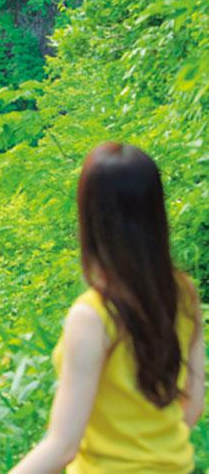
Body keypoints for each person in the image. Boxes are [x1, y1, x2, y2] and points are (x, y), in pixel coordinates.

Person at [11, 142, 204, 473]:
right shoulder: (183, 294)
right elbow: (192, 408)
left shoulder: (93, 317)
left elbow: (62, 446)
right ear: (156, 213)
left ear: (89, 220)